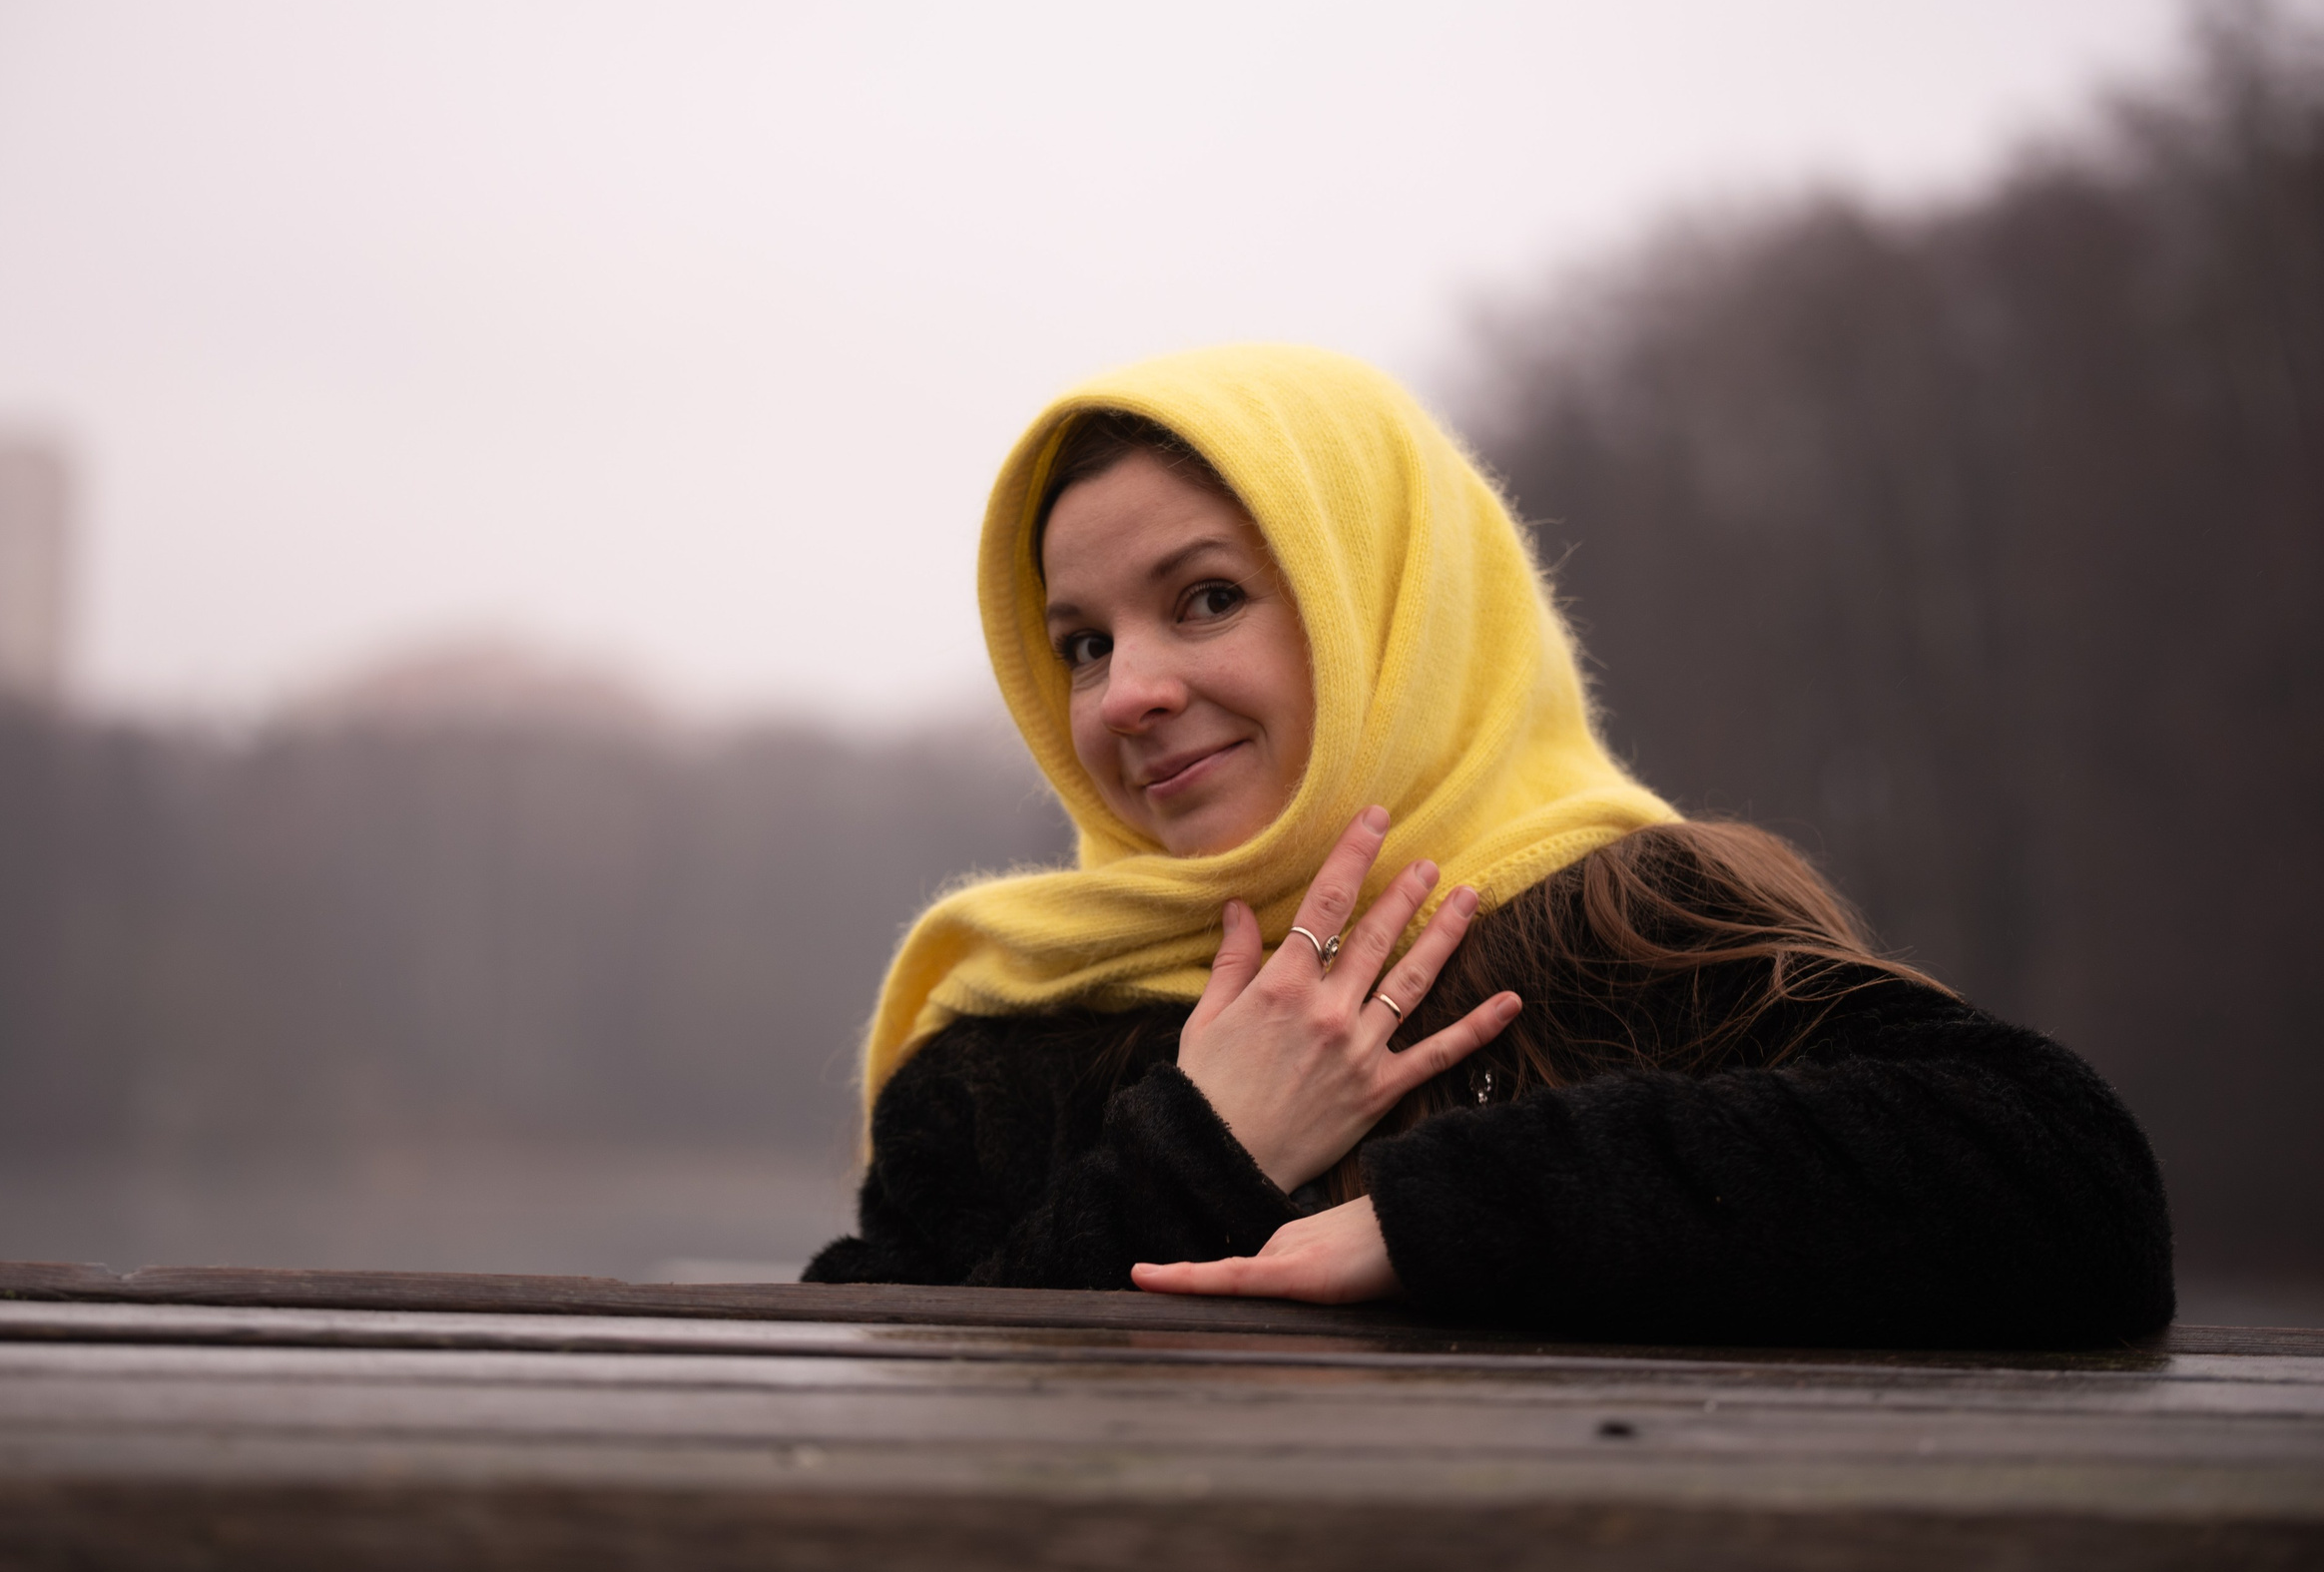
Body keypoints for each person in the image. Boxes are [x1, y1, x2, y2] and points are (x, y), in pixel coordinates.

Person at [803, 345, 2173, 1347]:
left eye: (1206, 598)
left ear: (1390, 610)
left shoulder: (1631, 922)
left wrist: (1434, 1215)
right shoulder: (1008, 1033)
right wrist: (1201, 1146)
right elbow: (889, 1377)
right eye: (1082, 643)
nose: (1126, 692)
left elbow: (2072, 1184)